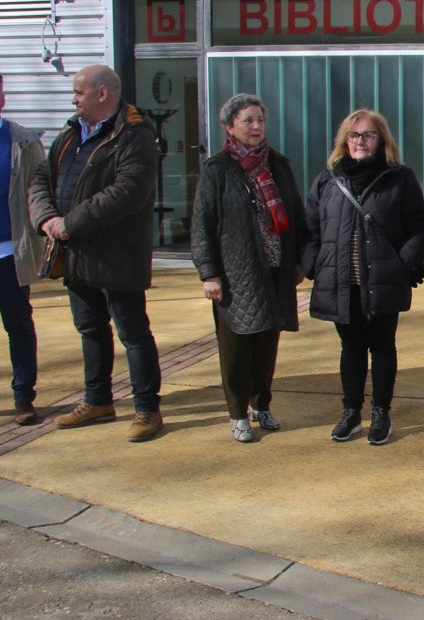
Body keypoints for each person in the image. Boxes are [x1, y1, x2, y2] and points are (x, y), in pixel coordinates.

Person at [28, 65, 164, 442]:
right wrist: (46, 219)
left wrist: (70, 222)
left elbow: (127, 192)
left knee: (132, 333)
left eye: (79, 92)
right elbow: (42, 177)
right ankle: (98, 400)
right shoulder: (71, 132)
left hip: (117, 256)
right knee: (90, 329)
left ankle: (147, 409)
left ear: (102, 93)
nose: (74, 99)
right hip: (74, 254)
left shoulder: (134, 134)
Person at [304, 109, 424, 446]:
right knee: (351, 348)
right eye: (354, 135)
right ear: (345, 141)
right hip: (341, 282)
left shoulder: (399, 178)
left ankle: (380, 412)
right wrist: (314, 265)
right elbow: (309, 230)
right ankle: (350, 412)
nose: (361, 141)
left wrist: (403, 264)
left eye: (368, 135)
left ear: (381, 140)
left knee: (383, 348)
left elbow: (419, 227)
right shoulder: (327, 180)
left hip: (383, 280)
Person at [191, 94, 305, 443]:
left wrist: (299, 260)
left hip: (275, 270)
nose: (256, 127)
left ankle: (262, 403)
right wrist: (209, 273)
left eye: (260, 120)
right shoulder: (218, 169)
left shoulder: (278, 164)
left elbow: (297, 217)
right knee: (236, 347)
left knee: (267, 344)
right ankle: (237, 412)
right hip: (235, 275)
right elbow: (202, 225)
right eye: (247, 121)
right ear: (230, 127)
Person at [0, 74, 45, 425]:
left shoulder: (22, 141)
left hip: (9, 252)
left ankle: (23, 397)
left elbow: (40, 189)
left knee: (18, 323)